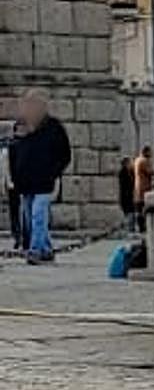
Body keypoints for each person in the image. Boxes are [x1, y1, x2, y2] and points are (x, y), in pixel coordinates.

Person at [10, 89, 71, 265]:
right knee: (29, 218)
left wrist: (54, 172)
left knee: (38, 215)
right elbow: (16, 153)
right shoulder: (22, 127)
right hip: (25, 182)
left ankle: (35, 250)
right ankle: (45, 249)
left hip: (44, 181)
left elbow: (65, 154)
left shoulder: (54, 127)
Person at [1, 121, 22, 250]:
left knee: (20, 211)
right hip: (14, 183)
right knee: (16, 211)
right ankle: (17, 236)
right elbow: (5, 166)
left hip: (20, 183)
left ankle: (19, 236)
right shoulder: (10, 146)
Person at [132, 146, 153, 232]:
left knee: (139, 208)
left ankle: (140, 226)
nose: (151, 154)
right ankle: (142, 227)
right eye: (150, 152)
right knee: (142, 208)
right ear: (146, 152)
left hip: (138, 186)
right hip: (143, 187)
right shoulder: (143, 161)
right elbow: (149, 171)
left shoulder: (137, 160)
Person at [117, 157, 137, 232]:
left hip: (130, 195)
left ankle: (131, 228)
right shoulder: (122, 173)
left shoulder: (131, 172)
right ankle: (129, 228)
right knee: (129, 212)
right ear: (125, 164)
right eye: (129, 163)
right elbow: (124, 185)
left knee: (131, 211)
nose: (131, 164)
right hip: (126, 196)